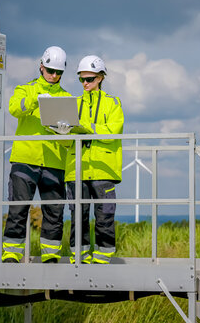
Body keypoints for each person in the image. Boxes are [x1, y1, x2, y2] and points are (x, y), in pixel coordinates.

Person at [2, 46, 71, 263]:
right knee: (18, 208)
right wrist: (35, 100)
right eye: (50, 70)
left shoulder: (67, 97)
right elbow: (14, 108)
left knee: (54, 211)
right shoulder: (25, 89)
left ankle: (50, 255)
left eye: (58, 72)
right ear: (41, 66)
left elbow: (71, 140)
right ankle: (12, 253)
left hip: (54, 162)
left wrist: (66, 131)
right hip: (25, 159)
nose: (54, 76)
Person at [63, 55, 124, 264]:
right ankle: (78, 256)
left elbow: (113, 131)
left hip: (103, 169)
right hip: (76, 169)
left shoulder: (113, 103)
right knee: (77, 216)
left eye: (89, 79)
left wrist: (88, 129)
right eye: (81, 79)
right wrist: (61, 132)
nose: (85, 83)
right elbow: (66, 142)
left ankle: (103, 257)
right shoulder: (72, 104)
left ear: (100, 78)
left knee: (104, 216)